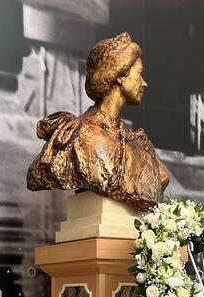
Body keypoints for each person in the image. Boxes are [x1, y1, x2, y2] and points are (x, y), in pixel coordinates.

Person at [26, 32, 169, 212]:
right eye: (139, 74)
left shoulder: (139, 144)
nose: (144, 83)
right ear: (120, 75)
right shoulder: (79, 134)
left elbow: (161, 180)